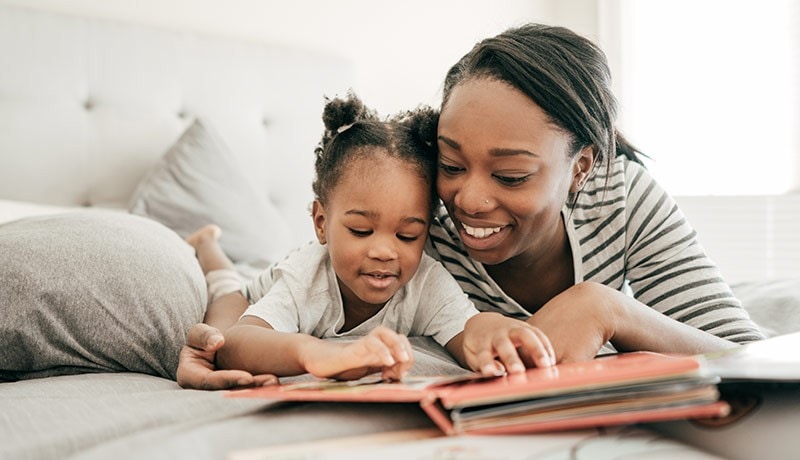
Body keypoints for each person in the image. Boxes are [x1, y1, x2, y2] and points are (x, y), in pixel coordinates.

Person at [177, 23, 764, 390]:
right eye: (451, 165)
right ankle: (210, 248)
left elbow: (756, 359)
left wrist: (610, 309)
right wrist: (220, 339)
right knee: (234, 280)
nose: (468, 200)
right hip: (270, 276)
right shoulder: (413, 225)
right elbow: (302, 297)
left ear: (582, 167)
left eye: (511, 174)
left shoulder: (625, 198)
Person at [180, 93, 555, 386]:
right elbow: (241, 342)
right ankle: (207, 244)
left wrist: (494, 330)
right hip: (252, 293)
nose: (383, 252)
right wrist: (316, 354)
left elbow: (466, 328)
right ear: (322, 223)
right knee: (225, 294)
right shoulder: (305, 278)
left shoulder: (427, 282)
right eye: (361, 231)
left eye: (408, 235)